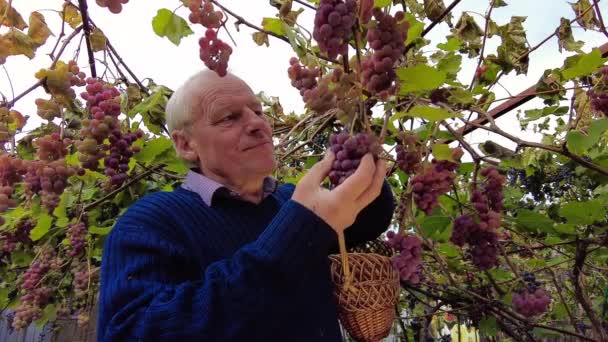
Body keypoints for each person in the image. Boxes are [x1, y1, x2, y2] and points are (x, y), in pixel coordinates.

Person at [97, 70, 394, 342]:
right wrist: (297, 233)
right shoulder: (151, 222)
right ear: (186, 145)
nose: (256, 123)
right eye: (229, 117)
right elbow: (130, 334)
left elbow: (368, 222)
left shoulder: (289, 200)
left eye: (258, 111)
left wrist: (362, 167)